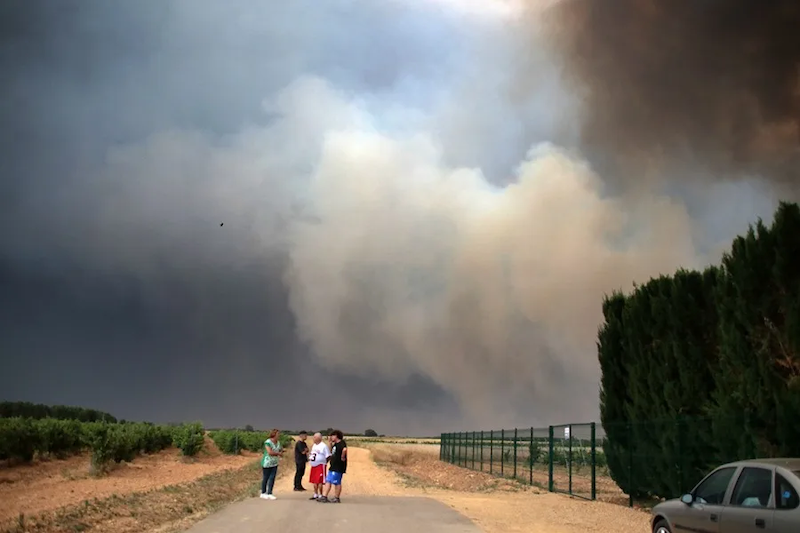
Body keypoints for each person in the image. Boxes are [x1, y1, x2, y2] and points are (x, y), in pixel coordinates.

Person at [318, 429, 347, 503]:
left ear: (336, 436)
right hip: (333, 465)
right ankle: (325, 496)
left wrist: (342, 457)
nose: (331, 437)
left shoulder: (341, 443)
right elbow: (331, 452)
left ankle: (335, 497)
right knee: (329, 480)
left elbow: (344, 449)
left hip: (338, 466)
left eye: (332, 436)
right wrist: (330, 443)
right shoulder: (335, 444)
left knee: (335, 482)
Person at [260, 429, 284, 500]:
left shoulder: (278, 442)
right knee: (266, 477)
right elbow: (269, 452)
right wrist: (278, 453)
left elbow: (280, 449)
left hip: (274, 462)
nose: (279, 435)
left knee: (272, 477)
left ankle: (269, 492)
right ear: (274, 434)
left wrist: (281, 451)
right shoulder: (268, 442)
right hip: (267, 462)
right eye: (277, 434)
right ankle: (263, 492)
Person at [307, 432, 331, 499]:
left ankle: (321, 494)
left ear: (319, 438)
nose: (313, 439)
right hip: (314, 465)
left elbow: (328, 455)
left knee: (320, 480)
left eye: (315, 437)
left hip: (320, 465)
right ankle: (315, 493)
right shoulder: (314, 445)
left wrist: (324, 462)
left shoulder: (323, 446)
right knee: (314, 480)